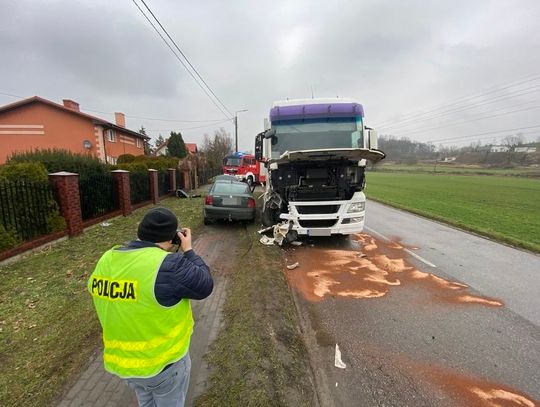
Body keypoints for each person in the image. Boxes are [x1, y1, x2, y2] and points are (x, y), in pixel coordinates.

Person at [88, 207, 213, 407]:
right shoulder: (168, 265)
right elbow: (205, 284)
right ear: (172, 237)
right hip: (164, 366)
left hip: (125, 366)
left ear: (140, 232)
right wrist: (188, 250)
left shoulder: (107, 259)